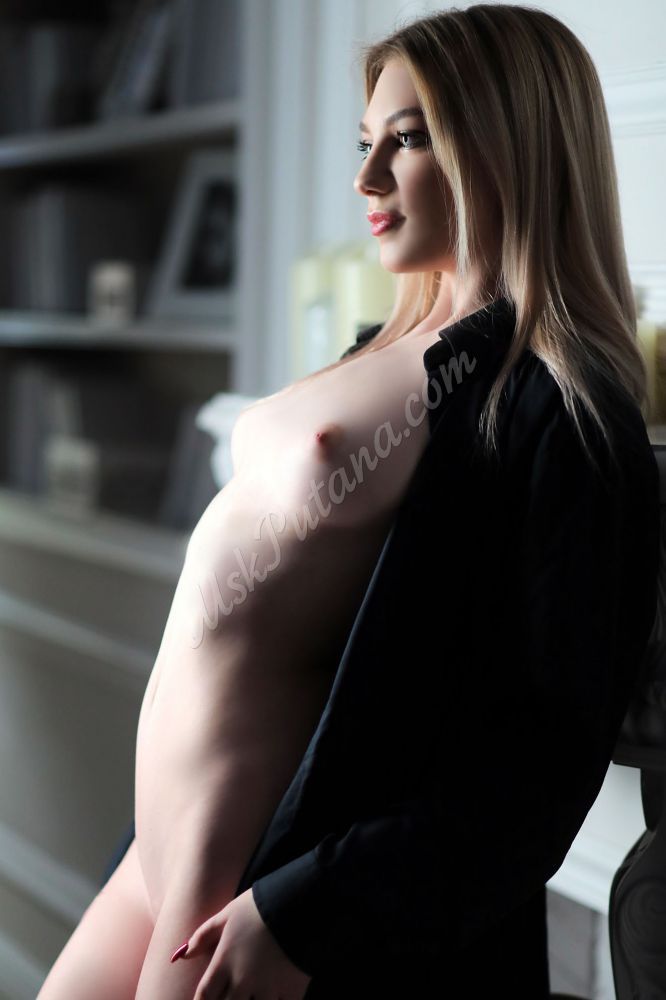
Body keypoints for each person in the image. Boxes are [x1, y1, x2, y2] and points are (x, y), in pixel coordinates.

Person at [37, 5, 659, 999]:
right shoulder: (386, 348)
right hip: (153, 850)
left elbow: (536, 764)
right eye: (363, 144)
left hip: (251, 880)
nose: (366, 179)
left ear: (507, 145)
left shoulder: (558, 412)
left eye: (405, 142)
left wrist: (308, 911)